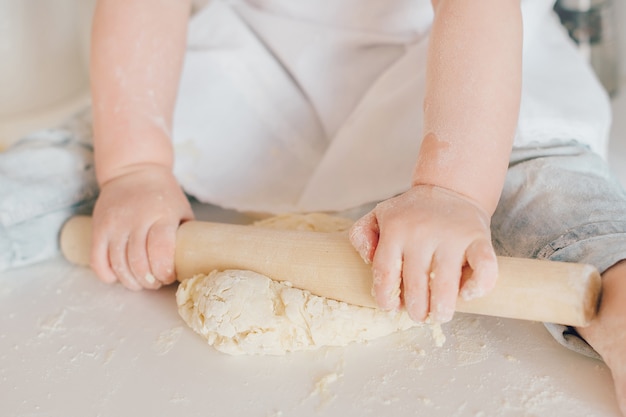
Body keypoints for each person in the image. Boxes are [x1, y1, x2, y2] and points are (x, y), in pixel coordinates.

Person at [1, 0, 625, 414]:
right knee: (77, 160)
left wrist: (451, 191)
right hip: (252, 66)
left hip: (461, 84)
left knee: (559, 199)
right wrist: (134, 167)